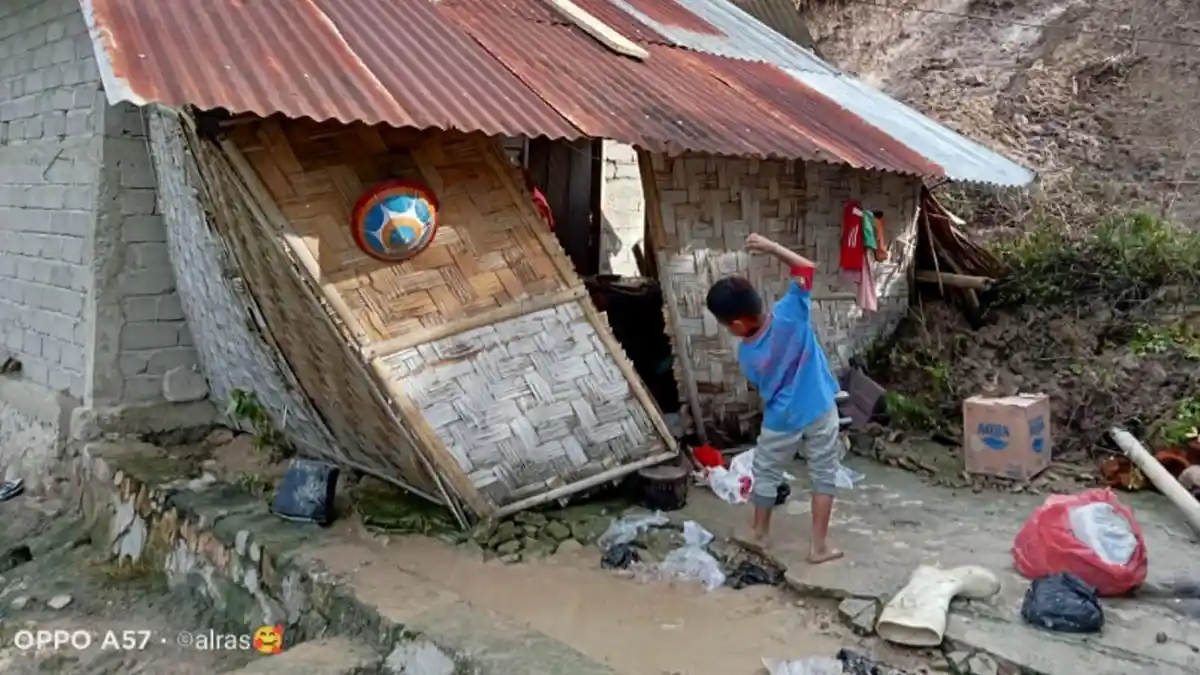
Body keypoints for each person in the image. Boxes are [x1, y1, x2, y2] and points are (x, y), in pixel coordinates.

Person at [705, 233, 845, 564]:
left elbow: (761, 384)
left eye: (726, 326)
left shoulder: (747, 354)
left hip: (782, 419)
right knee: (824, 474)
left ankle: (760, 533)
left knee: (766, 472)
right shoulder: (790, 311)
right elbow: (806, 267)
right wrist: (771, 247)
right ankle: (819, 547)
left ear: (738, 325)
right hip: (819, 408)